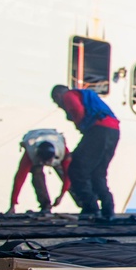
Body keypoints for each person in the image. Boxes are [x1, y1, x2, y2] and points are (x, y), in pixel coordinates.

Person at [51, 85, 120, 219]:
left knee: (76, 168)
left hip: (98, 130)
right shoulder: (84, 95)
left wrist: (80, 124)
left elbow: (77, 109)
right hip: (113, 131)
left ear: (57, 96)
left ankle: (90, 208)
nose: (59, 106)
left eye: (56, 102)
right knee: (98, 172)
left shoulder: (68, 95)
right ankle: (108, 210)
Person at [8, 129, 72, 214]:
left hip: (57, 154)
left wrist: (61, 195)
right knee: (36, 173)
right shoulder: (30, 154)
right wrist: (13, 204)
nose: (45, 164)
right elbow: (19, 179)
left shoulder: (63, 152)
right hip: (35, 147)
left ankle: (84, 201)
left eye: (47, 162)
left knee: (72, 174)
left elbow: (68, 176)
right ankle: (45, 204)